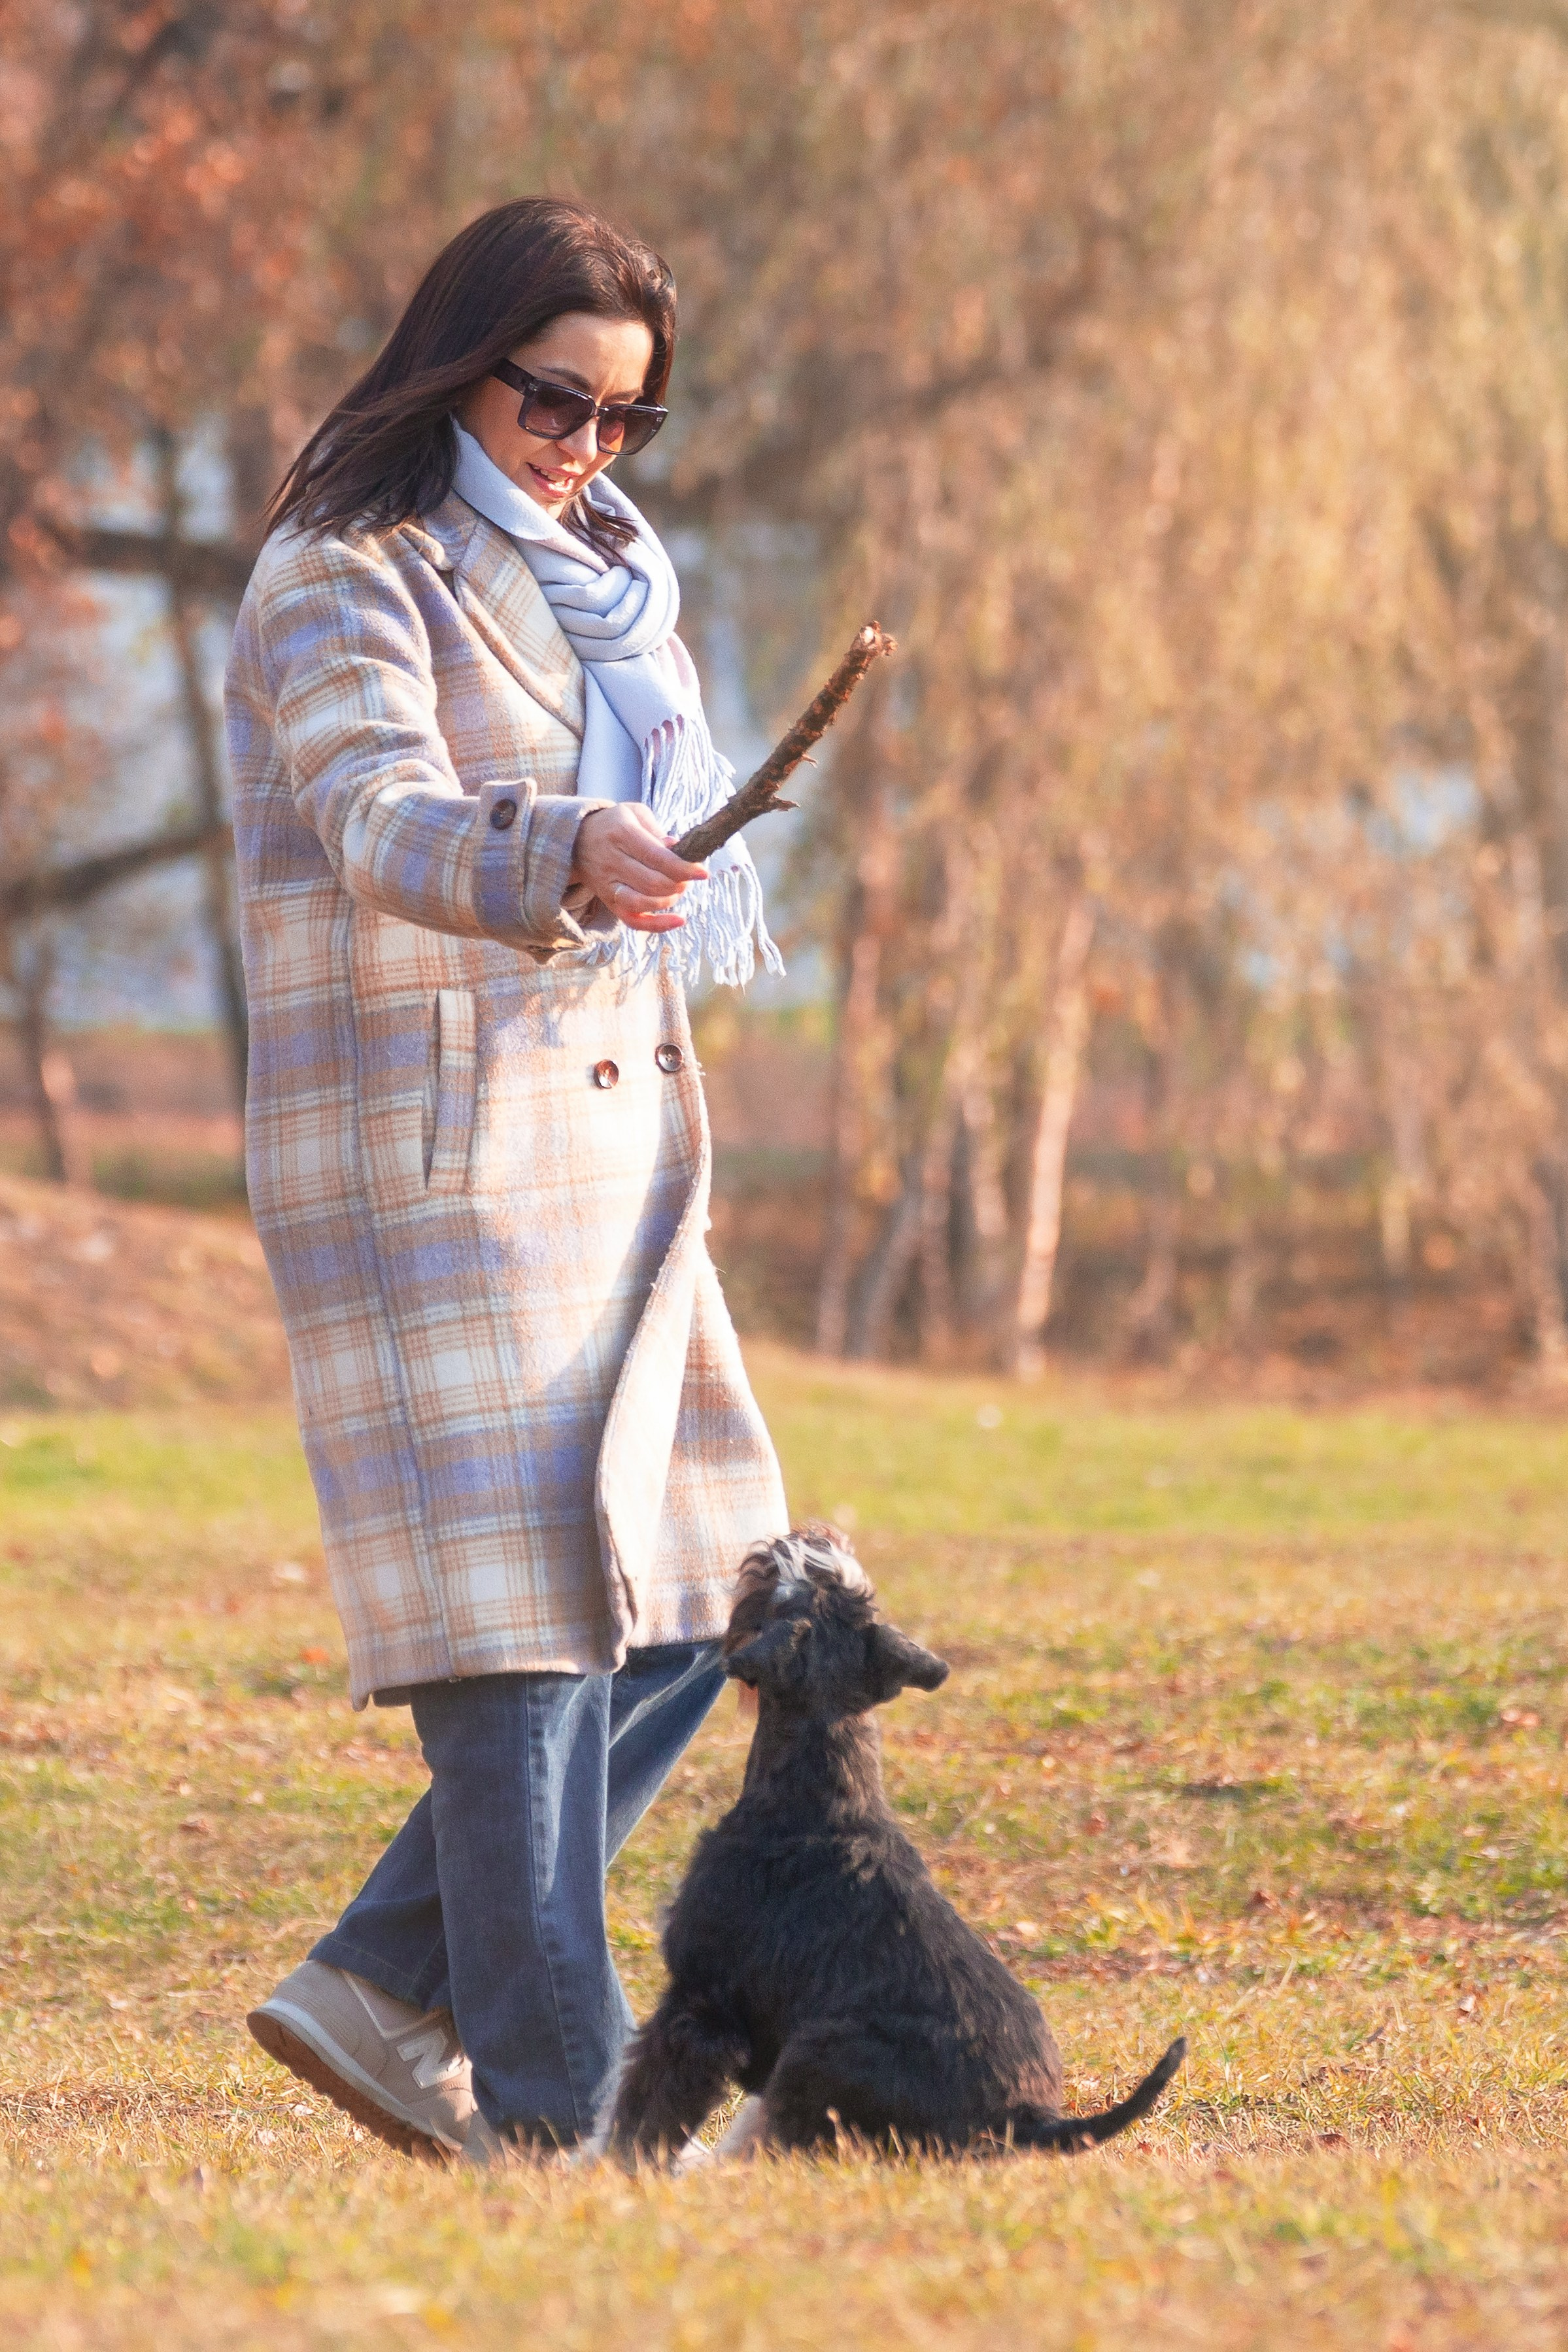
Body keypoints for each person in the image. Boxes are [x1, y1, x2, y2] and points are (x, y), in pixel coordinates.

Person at [226, 197, 788, 2162]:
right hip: (439, 1159)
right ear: (458, 357)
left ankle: (384, 1988)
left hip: (616, 1159)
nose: (585, 448)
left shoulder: (612, 575)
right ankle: (570, 2118)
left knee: (717, 1596)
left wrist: (632, 853)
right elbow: (377, 812)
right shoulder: (341, 571)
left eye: (624, 419)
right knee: (520, 1636)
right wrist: (564, 845)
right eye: (556, 401)